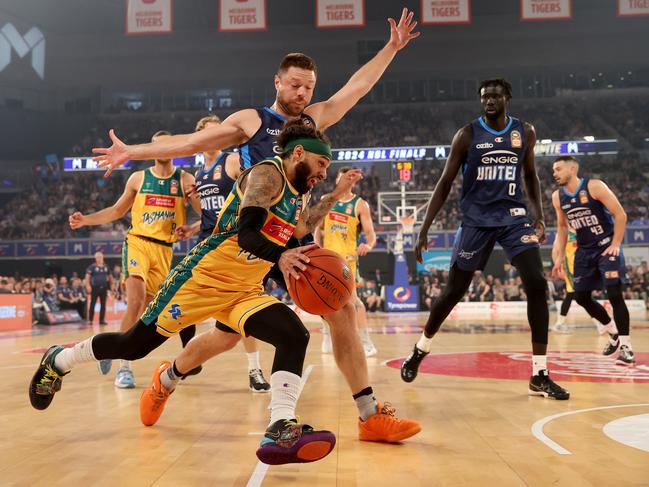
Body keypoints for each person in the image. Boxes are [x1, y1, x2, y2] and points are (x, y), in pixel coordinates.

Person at [93, 9, 421, 442]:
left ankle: (368, 414)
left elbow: (355, 90)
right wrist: (130, 152)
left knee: (340, 306)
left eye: (309, 86)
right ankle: (167, 377)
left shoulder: (313, 123)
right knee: (225, 338)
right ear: (278, 82)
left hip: (287, 238)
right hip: (245, 245)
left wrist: (391, 49)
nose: (302, 92)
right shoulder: (252, 122)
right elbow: (193, 143)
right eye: (295, 84)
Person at [30, 123, 345, 465]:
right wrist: (282, 257)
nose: (323, 173)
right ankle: (59, 359)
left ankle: (279, 426)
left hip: (243, 288)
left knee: (293, 335)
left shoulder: (299, 194)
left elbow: (299, 229)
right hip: (202, 278)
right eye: (321, 165)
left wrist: (334, 196)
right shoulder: (268, 175)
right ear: (298, 153)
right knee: (132, 346)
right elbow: (246, 235)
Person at [401, 78, 570, 400]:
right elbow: (445, 180)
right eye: (484, 97)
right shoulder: (467, 135)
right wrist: (425, 228)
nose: (489, 101)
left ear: (507, 97)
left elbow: (531, 175)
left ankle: (540, 373)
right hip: (477, 220)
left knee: (536, 282)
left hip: (514, 217)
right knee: (453, 291)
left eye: (494, 96)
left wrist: (538, 215)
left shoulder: (526, 132)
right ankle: (421, 349)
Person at [70, 131, 202, 388]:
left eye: (168, 146)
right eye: (157, 146)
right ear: (150, 150)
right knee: (136, 301)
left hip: (165, 250)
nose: (163, 150)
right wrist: (86, 220)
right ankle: (124, 368)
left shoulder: (185, 180)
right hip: (138, 243)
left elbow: (206, 215)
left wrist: (194, 229)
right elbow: (117, 211)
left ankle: (111, 347)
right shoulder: (138, 178)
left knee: (163, 308)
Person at [174, 114, 270, 392]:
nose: (214, 136)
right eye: (209, 132)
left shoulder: (230, 160)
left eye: (219, 131)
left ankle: (254, 369)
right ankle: (186, 360)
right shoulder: (199, 173)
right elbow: (208, 211)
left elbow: (253, 191)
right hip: (206, 242)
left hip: (235, 243)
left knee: (245, 305)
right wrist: (193, 225)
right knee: (184, 299)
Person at [550, 156, 634, 364]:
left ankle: (625, 346)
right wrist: (559, 257)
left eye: (559, 169)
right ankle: (612, 332)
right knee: (580, 297)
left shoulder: (595, 186)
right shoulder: (557, 197)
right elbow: (561, 227)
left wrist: (615, 243)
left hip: (606, 247)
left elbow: (620, 214)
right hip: (584, 251)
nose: (555, 173)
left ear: (572, 169)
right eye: (554, 170)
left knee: (614, 292)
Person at [314, 166, 377, 356]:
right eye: (342, 178)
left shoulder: (360, 205)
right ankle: (327, 336)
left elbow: (370, 235)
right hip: (327, 259)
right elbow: (317, 228)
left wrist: (369, 246)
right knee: (322, 301)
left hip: (347, 260)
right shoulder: (326, 200)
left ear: (353, 181)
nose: (345, 181)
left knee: (353, 301)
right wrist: (316, 247)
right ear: (337, 181)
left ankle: (366, 343)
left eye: (349, 178)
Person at [85, 252, 111, 325]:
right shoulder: (92, 267)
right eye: (97, 257)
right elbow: (87, 277)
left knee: (103, 304)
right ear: (95, 258)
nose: (99, 258)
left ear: (102, 257)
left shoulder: (106, 267)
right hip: (95, 287)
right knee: (93, 303)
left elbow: (110, 277)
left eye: (100, 257)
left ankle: (101, 320)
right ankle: (90, 320)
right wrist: (88, 286)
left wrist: (112, 286)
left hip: (104, 287)